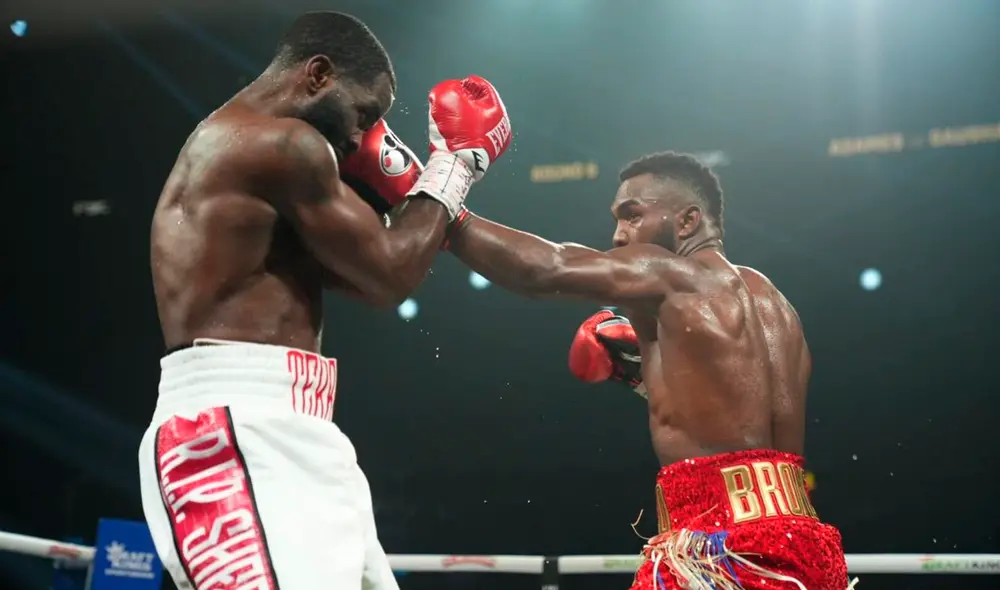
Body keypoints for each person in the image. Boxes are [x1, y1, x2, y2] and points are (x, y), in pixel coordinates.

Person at [140, 11, 511, 590]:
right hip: (233, 429)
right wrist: (455, 164)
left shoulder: (248, 157)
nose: (363, 137)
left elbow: (374, 277)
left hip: (295, 424)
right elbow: (393, 274)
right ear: (317, 75)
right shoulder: (283, 145)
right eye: (365, 113)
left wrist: (410, 196)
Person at [446, 152, 853, 589]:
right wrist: (646, 378)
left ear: (687, 221)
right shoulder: (777, 304)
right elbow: (744, 417)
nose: (619, 235)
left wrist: (444, 208)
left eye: (632, 216)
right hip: (807, 543)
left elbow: (549, 267)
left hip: (719, 550)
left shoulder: (671, 276)